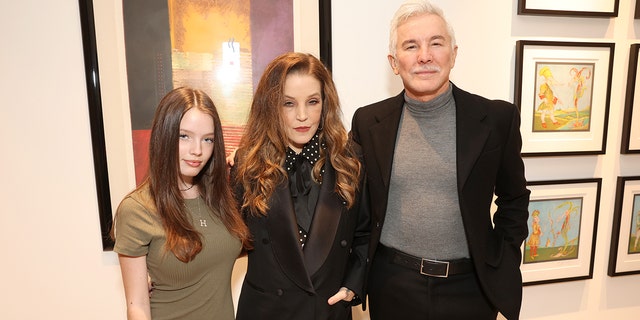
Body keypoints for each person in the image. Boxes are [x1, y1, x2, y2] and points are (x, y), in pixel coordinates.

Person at [349, 1, 530, 319]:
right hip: (392, 287)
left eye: (436, 43)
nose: (424, 56)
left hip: (470, 291)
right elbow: (356, 210)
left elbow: (514, 199)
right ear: (394, 62)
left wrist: (501, 258)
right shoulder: (368, 122)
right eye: (411, 46)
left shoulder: (496, 119)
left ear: (454, 53)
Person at [231, 52, 370, 320]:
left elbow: (364, 234)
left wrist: (353, 285)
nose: (303, 115)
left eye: (313, 102)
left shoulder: (350, 160)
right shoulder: (246, 164)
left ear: (325, 104)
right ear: (271, 106)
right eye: (289, 104)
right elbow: (225, 240)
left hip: (328, 311)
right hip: (266, 312)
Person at [112, 87, 252, 320]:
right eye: (184, 136)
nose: (197, 151)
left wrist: (245, 159)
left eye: (207, 139)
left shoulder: (221, 200)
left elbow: (218, 250)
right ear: (164, 136)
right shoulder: (137, 209)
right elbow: (137, 306)